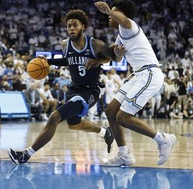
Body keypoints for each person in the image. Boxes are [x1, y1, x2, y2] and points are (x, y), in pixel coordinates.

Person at [8, 9, 118, 164]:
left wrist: (98, 61)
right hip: (74, 89)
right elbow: (68, 61)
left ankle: (26, 155)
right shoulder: (65, 45)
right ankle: (104, 133)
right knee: (74, 124)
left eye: (75, 25)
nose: (71, 28)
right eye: (69, 26)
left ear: (83, 27)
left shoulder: (95, 44)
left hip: (90, 91)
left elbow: (113, 57)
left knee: (54, 117)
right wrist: (49, 61)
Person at [94, 0, 176, 166]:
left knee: (123, 117)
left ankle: (163, 139)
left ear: (120, 15)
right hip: (138, 75)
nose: (110, 17)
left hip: (149, 73)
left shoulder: (129, 26)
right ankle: (124, 155)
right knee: (110, 111)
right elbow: (116, 58)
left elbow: (122, 19)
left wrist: (109, 10)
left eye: (114, 13)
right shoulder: (120, 37)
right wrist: (113, 54)